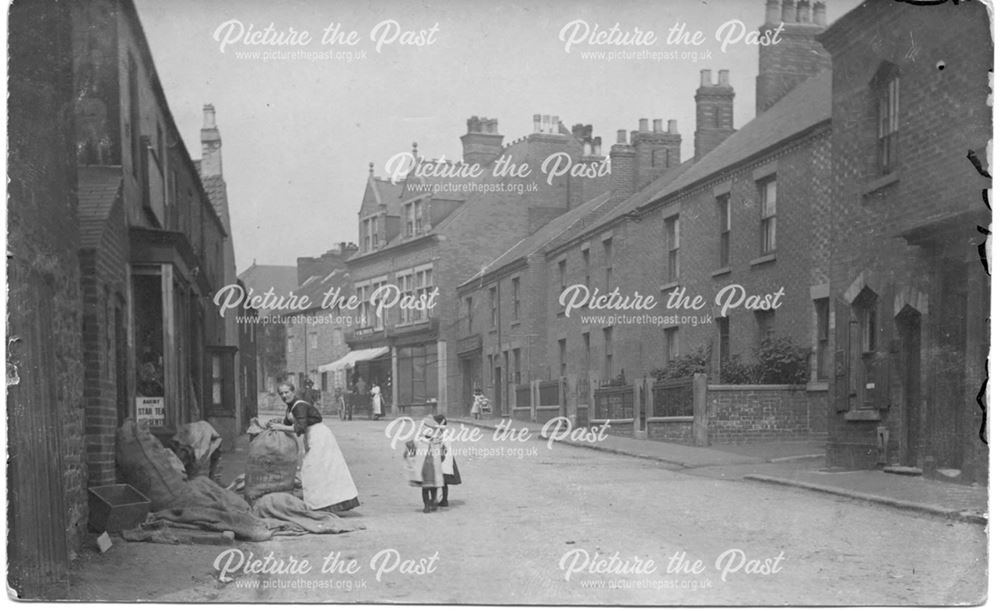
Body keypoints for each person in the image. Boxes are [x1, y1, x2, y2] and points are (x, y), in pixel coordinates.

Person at [275, 382, 360, 513]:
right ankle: (320, 504)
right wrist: (276, 424)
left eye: (287, 392)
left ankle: (325, 504)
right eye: (281, 393)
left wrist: (279, 427)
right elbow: (287, 423)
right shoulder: (290, 408)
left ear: (293, 392)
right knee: (315, 470)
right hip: (311, 436)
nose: (284, 395)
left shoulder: (300, 406)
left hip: (319, 435)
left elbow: (300, 427)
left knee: (319, 468)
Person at [404, 417, 444, 513]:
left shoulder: (436, 442)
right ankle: (427, 504)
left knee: (431, 487)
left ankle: (431, 503)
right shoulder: (420, 441)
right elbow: (410, 448)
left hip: (432, 469)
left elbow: (443, 453)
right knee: (427, 488)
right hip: (425, 469)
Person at [433, 414, 461, 507]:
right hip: (444, 458)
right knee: (442, 481)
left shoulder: (443, 433)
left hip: (443, 458)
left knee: (441, 480)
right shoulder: (442, 432)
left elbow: (443, 446)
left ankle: (441, 500)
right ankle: (442, 499)